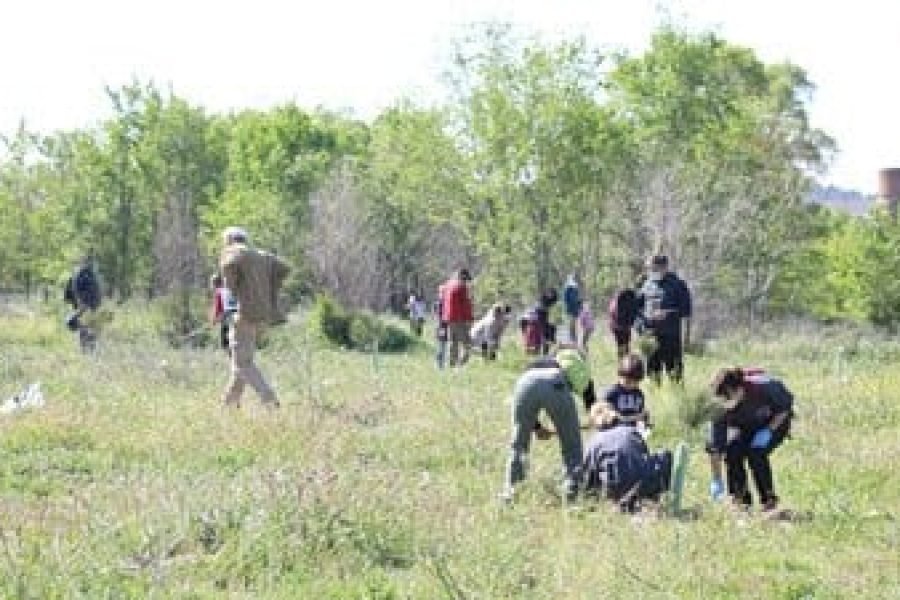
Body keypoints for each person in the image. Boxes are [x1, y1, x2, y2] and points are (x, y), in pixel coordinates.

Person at [500, 348, 592, 502]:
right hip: (555, 382)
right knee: (572, 446)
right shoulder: (581, 369)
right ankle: (572, 491)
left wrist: (537, 428)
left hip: (524, 381)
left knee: (519, 445)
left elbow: (528, 402)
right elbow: (594, 408)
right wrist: (590, 422)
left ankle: (511, 492)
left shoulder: (543, 361)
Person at [220, 226, 290, 408]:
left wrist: (234, 288)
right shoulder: (262, 256)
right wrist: (268, 290)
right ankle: (229, 405)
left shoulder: (234, 251)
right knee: (241, 363)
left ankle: (269, 399)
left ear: (229, 240)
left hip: (243, 314)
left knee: (244, 363)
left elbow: (228, 267)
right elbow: (284, 268)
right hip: (263, 316)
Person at [707, 367, 794, 512]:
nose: (726, 403)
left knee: (756, 453)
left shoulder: (765, 386)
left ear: (740, 389)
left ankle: (769, 501)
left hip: (774, 423)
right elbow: (716, 446)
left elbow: (784, 408)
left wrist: (768, 430)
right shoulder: (719, 408)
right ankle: (740, 502)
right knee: (733, 452)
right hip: (746, 426)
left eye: (729, 397)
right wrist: (716, 480)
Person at [582, 403, 673, 512]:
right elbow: (644, 455)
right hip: (641, 485)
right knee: (665, 456)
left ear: (594, 424)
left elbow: (588, 476)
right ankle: (652, 500)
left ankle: (624, 503)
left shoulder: (593, 442)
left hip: (614, 490)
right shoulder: (630, 431)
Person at [636, 255, 692, 383]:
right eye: (650, 268)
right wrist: (641, 325)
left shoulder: (678, 284)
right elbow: (637, 307)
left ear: (665, 267)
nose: (652, 271)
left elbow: (686, 311)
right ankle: (656, 395)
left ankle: (677, 396)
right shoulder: (646, 283)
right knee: (652, 371)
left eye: (655, 268)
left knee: (674, 371)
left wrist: (668, 313)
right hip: (650, 335)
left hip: (670, 335)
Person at [63, 253, 103, 353]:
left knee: (87, 327)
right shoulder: (86, 275)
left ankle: (88, 349)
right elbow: (74, 290)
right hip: (88, 306)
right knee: (87, 327)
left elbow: (70, 291)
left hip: (87, 306)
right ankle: (87, 349)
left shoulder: (83, 274)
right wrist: (81, 304)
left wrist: (75, 303)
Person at [602, 354, 650, 430]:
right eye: (627, 381)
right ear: (619, 375)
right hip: (615, 432)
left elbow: (640, 415)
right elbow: (605, 415)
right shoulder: (612, 392)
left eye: (635, 382)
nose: (631, 385)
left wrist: (644, 421)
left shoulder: (639, 394)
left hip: (632, 433)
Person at [438, 268, 474, 368]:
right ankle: (460, 366)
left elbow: (442, 302)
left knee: (453, 343)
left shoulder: (447, 285)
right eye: (466, 279)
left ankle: (451, 365)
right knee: (468, 344)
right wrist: (470, 319)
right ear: (462, 276)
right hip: (459, 319)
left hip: (448, 318)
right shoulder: (461, 286)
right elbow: (466, 304)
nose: (466, 282)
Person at [210, 273, 238, 354]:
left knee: (225, 343)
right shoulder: (230, 289)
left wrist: (214, 320)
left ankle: (233, 359)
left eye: (211, 283)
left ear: (214, 284)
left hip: (228, 316)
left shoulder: (219, 292)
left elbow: (218, 308)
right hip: (239, 314)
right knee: (235, 339)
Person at [607, 288, 638, 359]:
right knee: (624, 345)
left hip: (618, 326)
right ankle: (624, 362)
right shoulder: (619, 301)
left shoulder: (615, 301)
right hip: (619, 326)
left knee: (622, 345)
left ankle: (624, 361)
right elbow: (617, 315)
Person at [562, 273, 583, 345]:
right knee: (571, 324)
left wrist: (580, 303)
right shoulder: (568, 289)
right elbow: (566, 300)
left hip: (575, 309)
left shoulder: (575, 288)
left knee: (574, 324)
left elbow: (577, 299)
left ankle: (574, 339)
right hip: (570, 309)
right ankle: (572, 338)